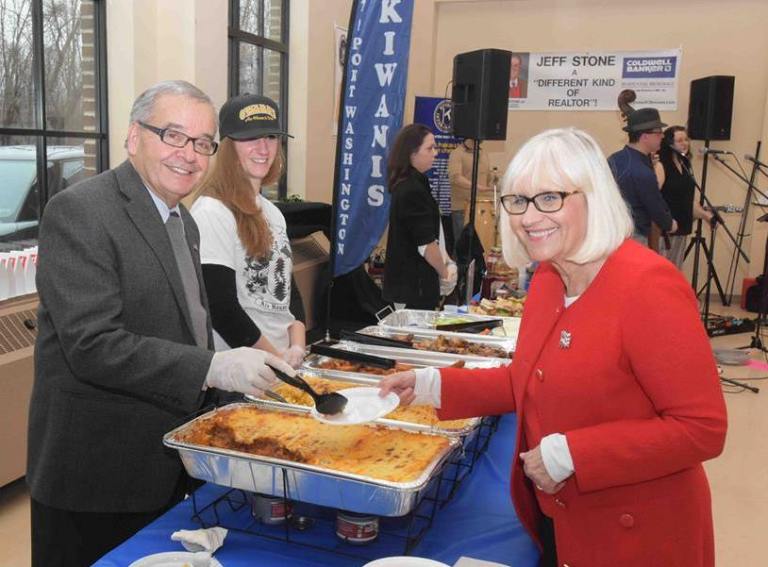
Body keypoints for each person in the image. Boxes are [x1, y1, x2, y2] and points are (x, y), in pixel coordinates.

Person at [381, 128, 727, 567]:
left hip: (636, 535)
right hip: (560, 521)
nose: (528, 217)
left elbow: (702, 428)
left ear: (593, 196)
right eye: (519, 200)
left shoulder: (648, 286)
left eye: (550, 198)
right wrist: (430, 384)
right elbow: (527, 378)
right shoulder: (548, 278)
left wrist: (573, 453)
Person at [27, 80, 294, 567]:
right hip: (96, 475)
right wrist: (212, 368)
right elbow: (93, 345)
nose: (189, 154)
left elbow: (188, 323)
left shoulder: (182, 221)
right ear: (133, 137)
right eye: (173, 135)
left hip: (167, 463)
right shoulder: (81, 211)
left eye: (202, 143)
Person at [191, 94, 306, 368]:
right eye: (250, 138)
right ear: (229, 147)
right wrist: (278, 362)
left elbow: (291, 294)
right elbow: (221, 309)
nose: (263, 148)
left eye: (270, 137)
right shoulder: (212, 212)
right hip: (243, 372)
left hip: (280, 364)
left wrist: (298, 346)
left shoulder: (273, 213)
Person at [383, 123, 457, 309]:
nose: (435, 153)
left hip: (413, 285)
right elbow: (425, 245)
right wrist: (444, 274)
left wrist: (446, 259)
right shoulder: (412, 189)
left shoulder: (414, 184)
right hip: (413, 287)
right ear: (412, 153)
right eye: (429, 148)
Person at [609, 90, 677, 246]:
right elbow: (654, 204)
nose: (662, 136)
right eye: (658, 133)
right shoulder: (641, 171)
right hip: (634, 236)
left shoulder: (614, 159)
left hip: (614, 233)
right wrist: (669, 224)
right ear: (645, 136)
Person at [659, 125, 714, 267]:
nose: (685, 143)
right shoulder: (662, 164)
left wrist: (705, 215)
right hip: (665, 230)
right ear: (669, 143)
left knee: (675, 271)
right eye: (680, 140)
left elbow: (687, 198)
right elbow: (654, 196)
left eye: (686, 139)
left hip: (682, 227)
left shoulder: (685, 163)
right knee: (662, 272)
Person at [448, 138, 493, 251]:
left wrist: (494, 180)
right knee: (462, 247)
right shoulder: (457, 153)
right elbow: (455, 178)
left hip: (481, 207)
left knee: (481, 245)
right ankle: (460, 268)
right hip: (462, 208)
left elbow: (488, 178)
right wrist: (476, 186)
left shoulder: (483, 153)